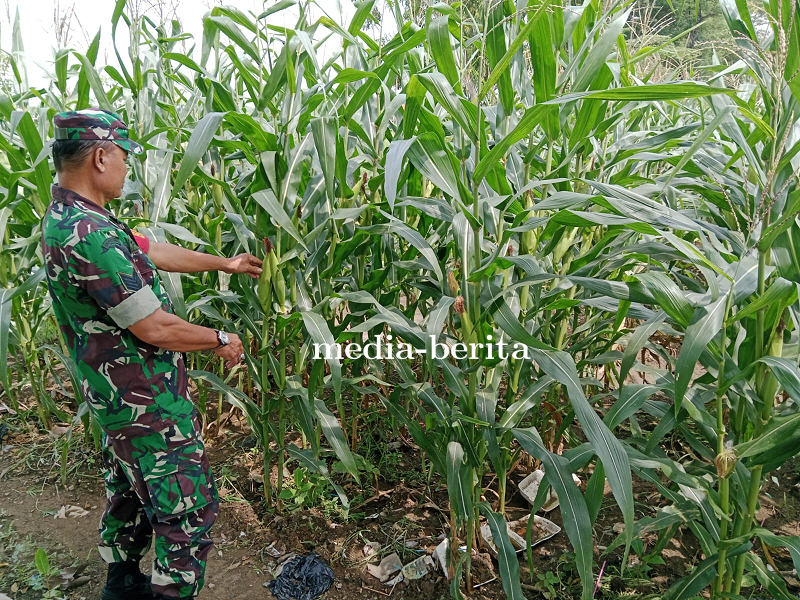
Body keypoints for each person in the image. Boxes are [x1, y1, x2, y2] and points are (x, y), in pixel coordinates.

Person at [40, 108, 261, 600]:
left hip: (114, 401)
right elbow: (155, 326)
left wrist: (223, 263)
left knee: (129, 495)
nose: (127, 167)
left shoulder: (74, 219)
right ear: (100, 157)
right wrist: (219, 339)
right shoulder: (90, 236)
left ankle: (121, 584)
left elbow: (150, 250)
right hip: (147, 404)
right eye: (123, 157)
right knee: (187, 512)